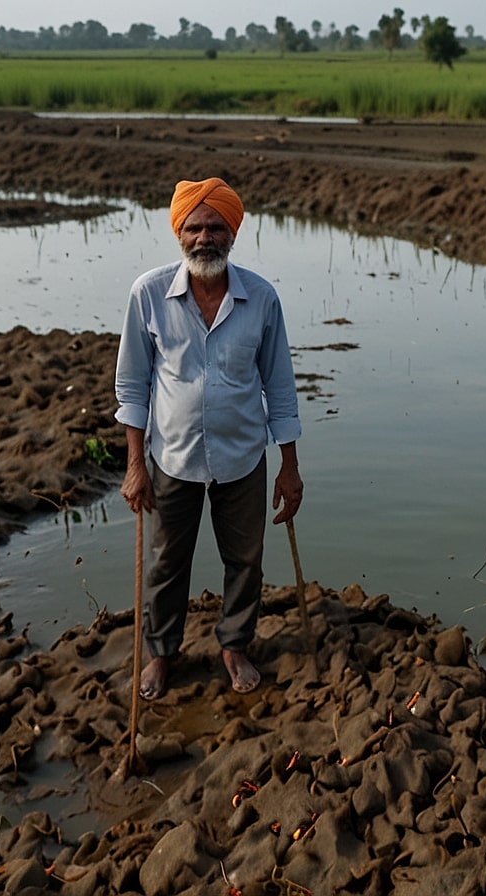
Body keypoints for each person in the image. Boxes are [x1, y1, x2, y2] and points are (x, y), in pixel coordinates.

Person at [114, 177, 303, 700]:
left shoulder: (261, 299)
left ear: (232, 232)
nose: (204, 238)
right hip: (171, 459)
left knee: (245, 559)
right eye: (194, 227)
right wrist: (135, 464)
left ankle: (234, 645)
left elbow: (280, 387)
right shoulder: (148, 294)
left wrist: (289, 466)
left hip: (242, 458)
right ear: (179, 233)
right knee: (166, 562)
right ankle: (160, 654)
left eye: (215, 227)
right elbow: (131, 386)